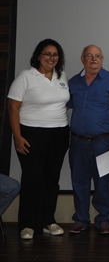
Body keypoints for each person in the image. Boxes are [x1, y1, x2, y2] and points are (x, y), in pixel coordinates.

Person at [7, 39, 70, 240]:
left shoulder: (62, 76)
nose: (51, 58)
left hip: (59, 134)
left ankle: (47, 221)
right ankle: (27, 224)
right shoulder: (26, 76)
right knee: (33, 179)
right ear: (38, 56)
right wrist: (17, 136)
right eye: (47, 54)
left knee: (51, 180)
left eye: (55, 54)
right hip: (32, 134)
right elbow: (13, 107)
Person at [67, 45, 109, 235]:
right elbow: (63, 107)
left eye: (98, 56)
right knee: (79, 182)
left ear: (102, 59)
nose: (94, 60)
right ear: (82, 58)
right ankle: (81, 219)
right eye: (89, 56)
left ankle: (104, 219)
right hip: (78, 141)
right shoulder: (73, 83)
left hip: (105, 141)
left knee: (103, 183)